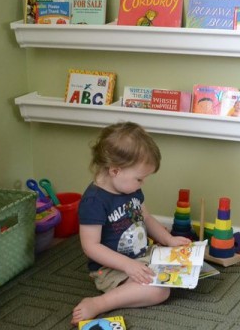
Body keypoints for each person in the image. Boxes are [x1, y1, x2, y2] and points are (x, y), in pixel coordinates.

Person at [71, 122, 191, 325]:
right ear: (115, 171)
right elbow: (90, 246)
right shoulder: (94, 201)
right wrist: (128, 266)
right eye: (139, 179)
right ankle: (99, 303)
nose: (142, 184)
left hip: (141, 256)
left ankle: (137, 281)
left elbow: (146, 217)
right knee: (159, 291)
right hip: (110, 268)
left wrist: (168, 239)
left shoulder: (130, 189)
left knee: (181, 268)